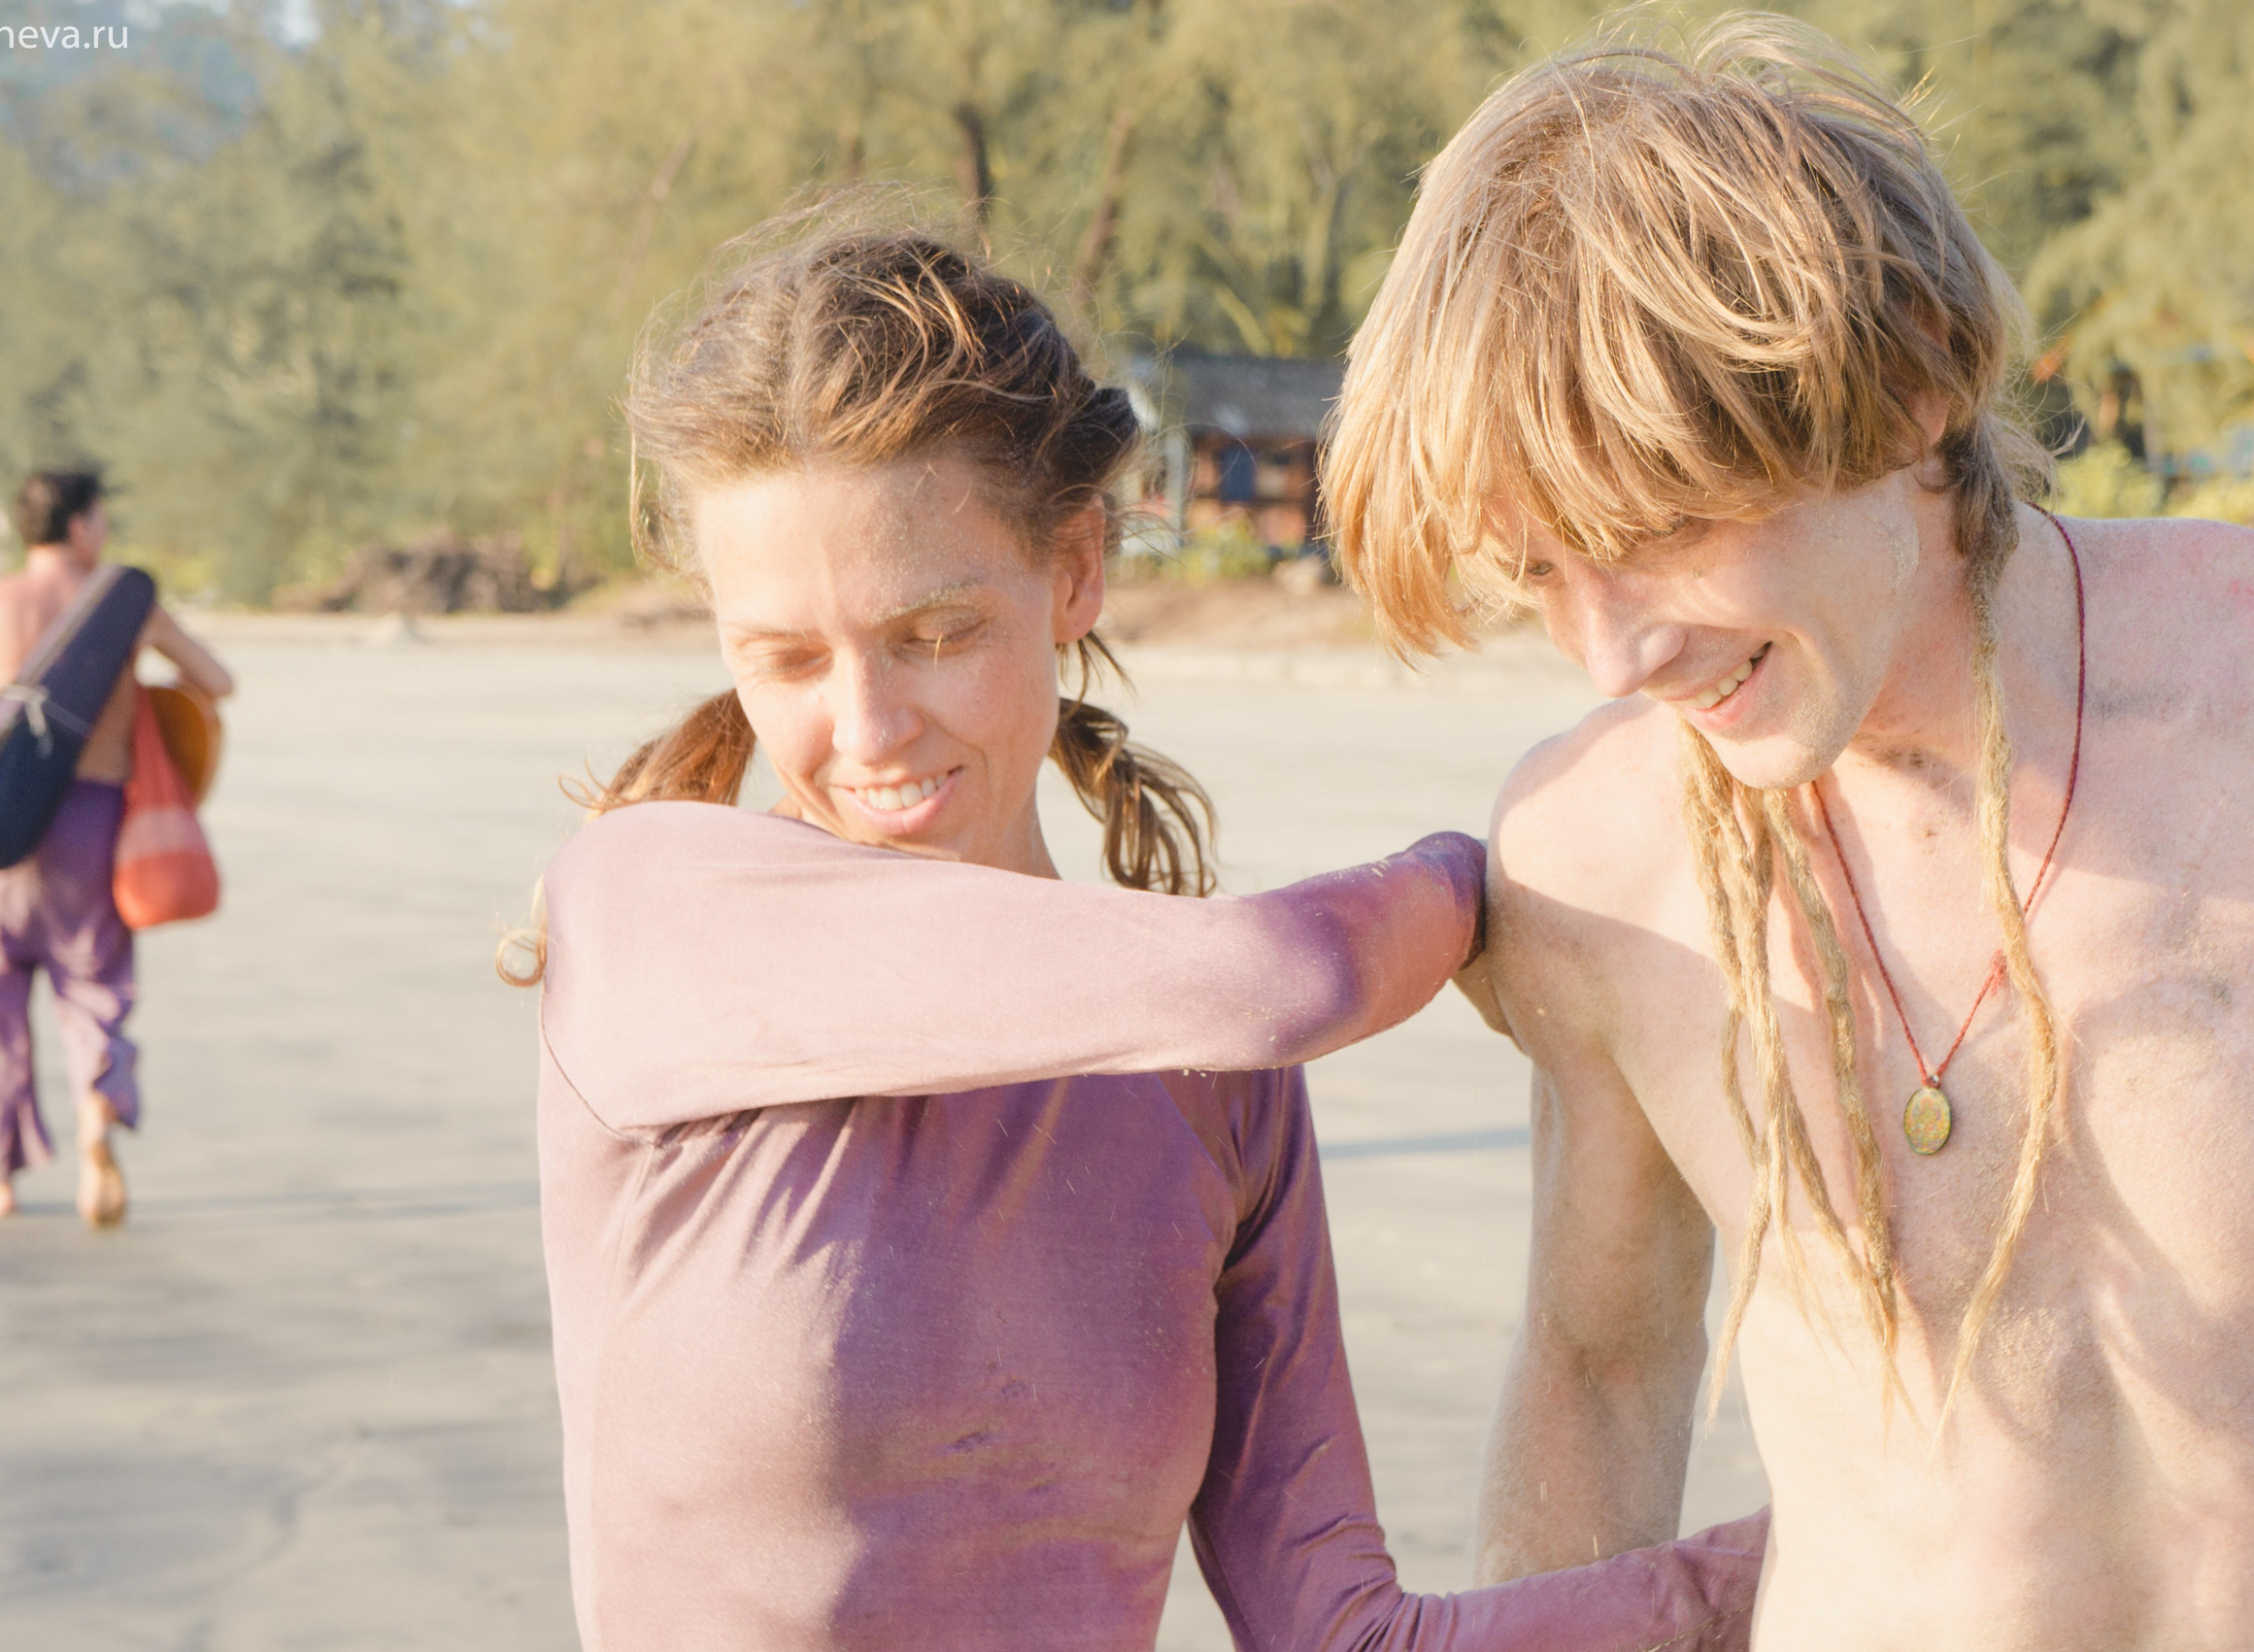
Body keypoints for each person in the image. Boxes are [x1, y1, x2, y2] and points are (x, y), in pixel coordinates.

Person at [524, 224, 1764, 1650]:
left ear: (1076, 569)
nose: (864, 731)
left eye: (933, 633)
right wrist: (1507, 875)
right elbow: (1287, 974)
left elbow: (1342, 1631)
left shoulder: (1209, 1083)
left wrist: (1814, 1560)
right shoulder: (647, 916)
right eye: (786, 660)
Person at [1324, 17, 2254, 1650]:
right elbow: (1601, 1368)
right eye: (1539, 571)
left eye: (1662, 530)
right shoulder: (1594, 851)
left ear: (1905, 388)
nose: (1614, 655)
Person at [0, 471, 235, 1226]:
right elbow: (217, 681)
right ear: (82, 526)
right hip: (92, 819)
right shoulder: (126, 606)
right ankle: (98, 1105)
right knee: (93, 985)